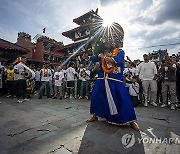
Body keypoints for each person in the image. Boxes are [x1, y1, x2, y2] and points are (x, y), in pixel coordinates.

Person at [87, 22, 140, 131]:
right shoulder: (103, 52)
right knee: (96, 96)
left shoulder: (120, 52)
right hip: (102, 79)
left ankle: (131, 121)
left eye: (112, 39)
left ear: (117, 41)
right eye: (108, 39)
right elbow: (93, 59)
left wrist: (103, 57)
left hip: (115, 80)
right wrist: (91, 53)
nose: (110, 41)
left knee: (122, 99)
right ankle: (95, 115)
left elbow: (118, 62)